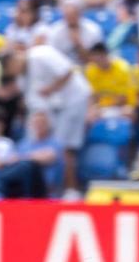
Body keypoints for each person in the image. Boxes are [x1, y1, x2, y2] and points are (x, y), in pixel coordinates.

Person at [13, 30, 93, 196]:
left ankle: (71, 190)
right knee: (53, 145)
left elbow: (68, 71)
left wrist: (51, 89)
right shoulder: (22, 75)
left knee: (64, 147)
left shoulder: (41, 53)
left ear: (17, 56)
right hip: (57, 107)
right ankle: (49, 191)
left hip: (74, 99)